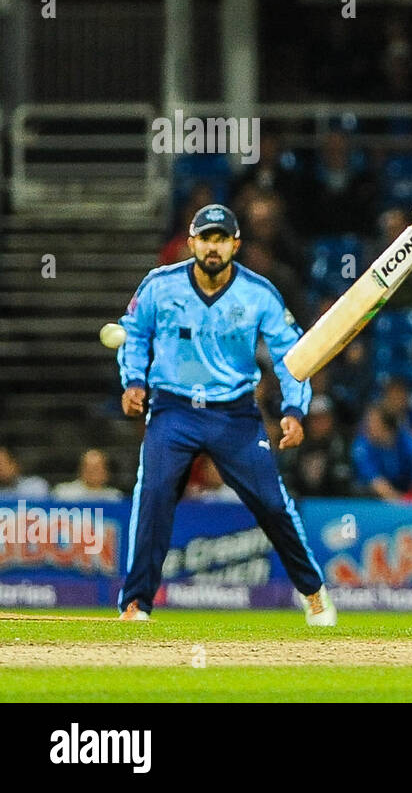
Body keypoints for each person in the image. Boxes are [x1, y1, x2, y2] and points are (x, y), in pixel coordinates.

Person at [115, 203, 336, 626]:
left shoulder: (259, 293)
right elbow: (134, 332)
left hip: (234, 413)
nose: (213, 248)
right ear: (191, 242)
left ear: (235, 244)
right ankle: (137, 603)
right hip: (173, 408)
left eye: (221, 239)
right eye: (205, 238)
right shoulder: (160, 285)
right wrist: (133, 381)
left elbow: (292, 356)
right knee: (154, 496)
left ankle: (313, 592)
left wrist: (293, 409)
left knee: (272, 505)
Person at [52, 449, 124, 502]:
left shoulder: (114, 497)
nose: (92, 472)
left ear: (106, 472)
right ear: (80, 470)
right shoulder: (64, 493)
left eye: (96, 468)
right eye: (88, 468)